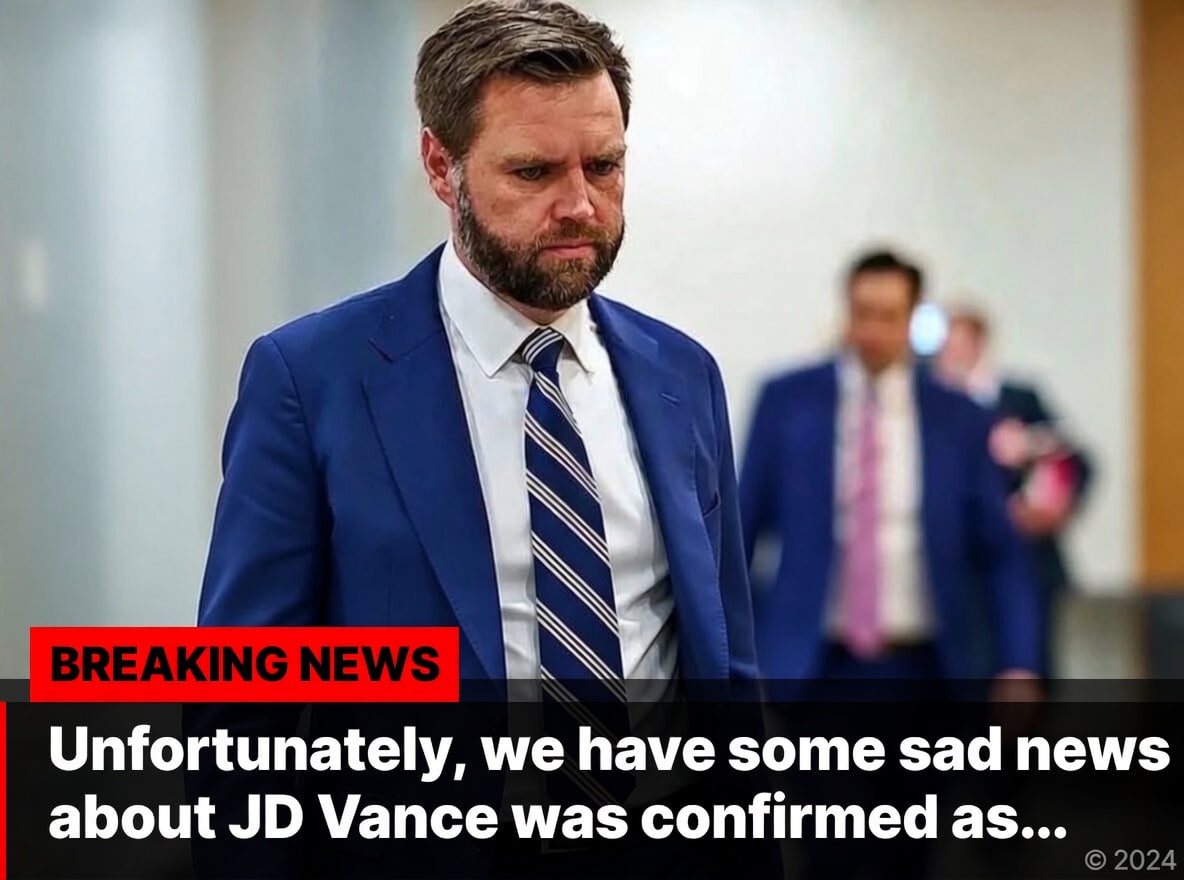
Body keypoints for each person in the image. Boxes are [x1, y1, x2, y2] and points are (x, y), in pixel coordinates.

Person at [192, 2, 762, 877]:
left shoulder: (681, 375)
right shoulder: (312, 379)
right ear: (440, 165)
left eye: (604, 165)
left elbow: (726, 662)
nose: (579, 204)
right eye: (533, 171)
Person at [739, 250, 1041, 691]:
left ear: (912, 319)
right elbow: (742, 532)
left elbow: (1000, 550)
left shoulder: (958, 417)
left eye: (888, 316)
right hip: (811, 667)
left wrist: (1019, 663)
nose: (872, 331)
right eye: (862, 313)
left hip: (929, 667)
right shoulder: (788, 402)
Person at [935, 305, 1092, 677]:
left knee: (1031, 666)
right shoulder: (930, 407)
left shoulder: (1019, 398)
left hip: (1028, 554)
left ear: (980, 344)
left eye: (962, 343)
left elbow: (1074, 460)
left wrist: (1050, 506)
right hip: (961, 565)